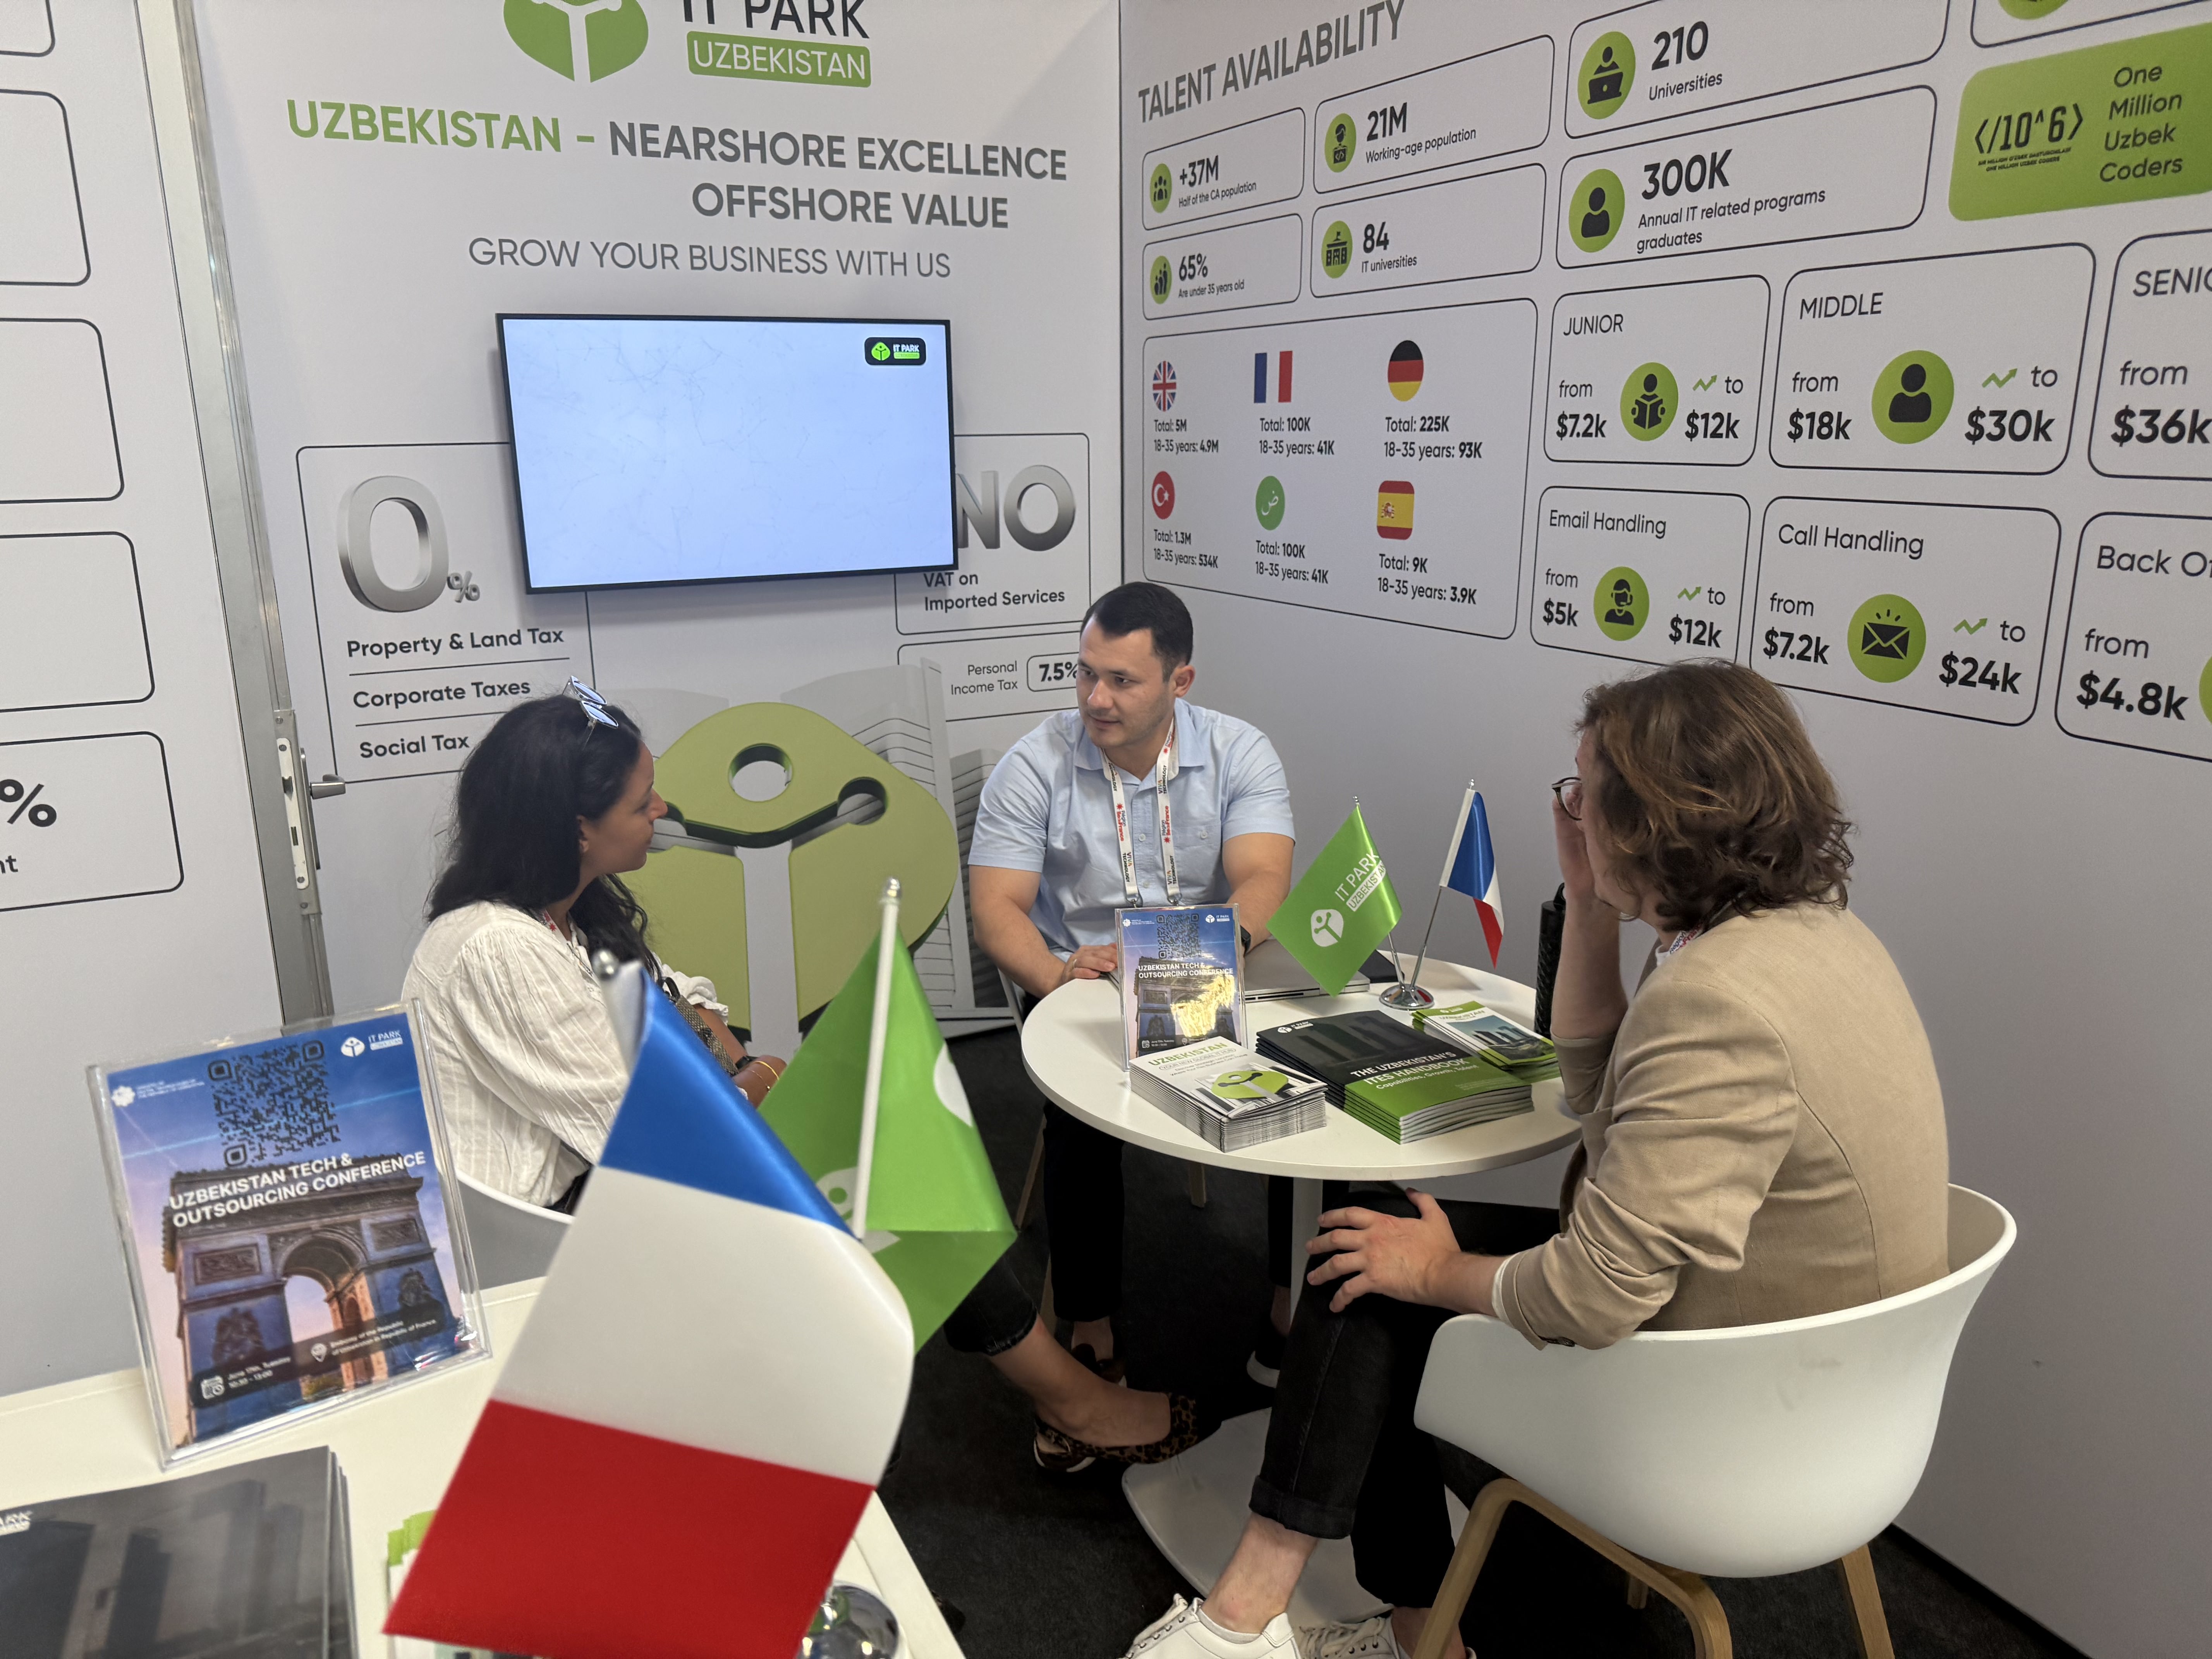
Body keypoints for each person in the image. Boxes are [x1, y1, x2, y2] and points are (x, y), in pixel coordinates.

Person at [1122, 661, 1952, 1659]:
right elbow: (1598, 1097)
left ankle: (1254, 1618)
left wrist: (1434, 1272)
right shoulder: (1809, 933)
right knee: (1377, 1244)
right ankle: (1398, 1624)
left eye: (1584, 791)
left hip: (1730, 1413)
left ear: (1650, 819)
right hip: (1830, 1382)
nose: (1570, 810)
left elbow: (1599, 1294)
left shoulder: (1719, 1001)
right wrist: (1590, 904)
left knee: (1369, 1273)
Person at [407, 686, 1191, 1467]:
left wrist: (745, 1071)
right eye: (642, 803)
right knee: (885, 1171)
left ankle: (1058, 1396)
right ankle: (1067, 1401)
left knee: (886, 1156)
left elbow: (681, 999)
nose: (662, 809)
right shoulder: (497, 950)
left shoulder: (562, 912)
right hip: (552, 1238)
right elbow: (649, 1131)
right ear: (579, 827)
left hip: (612, 1182)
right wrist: (759, 1079)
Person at [970, 582, 1297, 1387]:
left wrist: (1214, 955)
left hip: (1209, 966)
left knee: (1303, 1084)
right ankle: (1089, 1319)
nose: (1096, 699)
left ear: (1180, 682)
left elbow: (1262, 876)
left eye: (1122, 681)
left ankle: (1291, 1303)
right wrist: (1055, 976)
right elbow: (997, 910)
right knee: (1081, 1121)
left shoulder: (1239, 751)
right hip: (1084, 977)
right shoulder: (1033, 765)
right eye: (1086, 674)